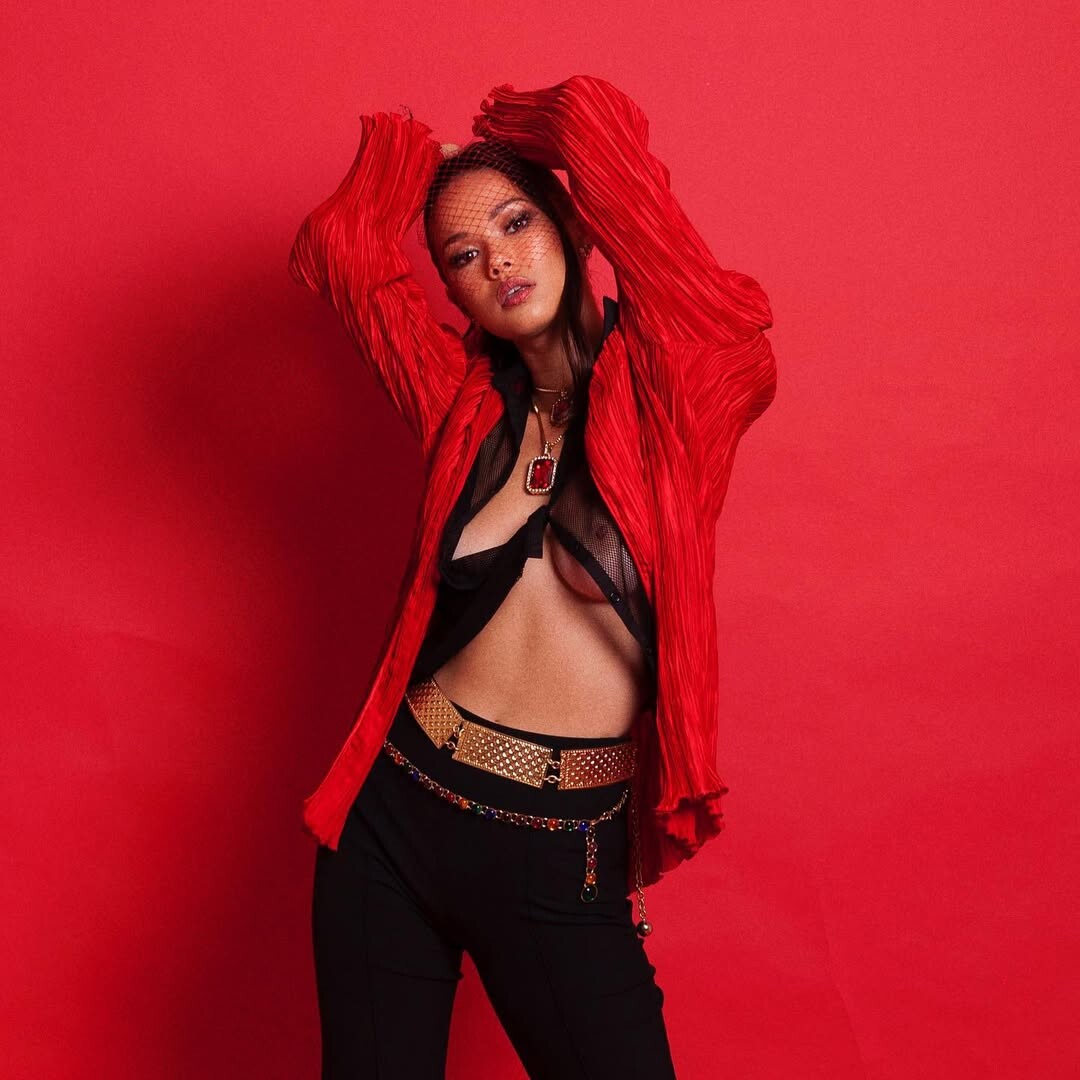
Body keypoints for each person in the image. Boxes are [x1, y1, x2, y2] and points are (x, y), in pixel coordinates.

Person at [288, 73, 777, 1079]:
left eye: (516, 223)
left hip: (557, 848)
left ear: (574, 224)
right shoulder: (459, 401)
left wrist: (500, 135)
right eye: (462, 256)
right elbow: (341, 249)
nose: (497, 260)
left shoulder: (678, 396)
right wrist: (416, 162)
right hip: (393, 818)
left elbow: (603, 136)